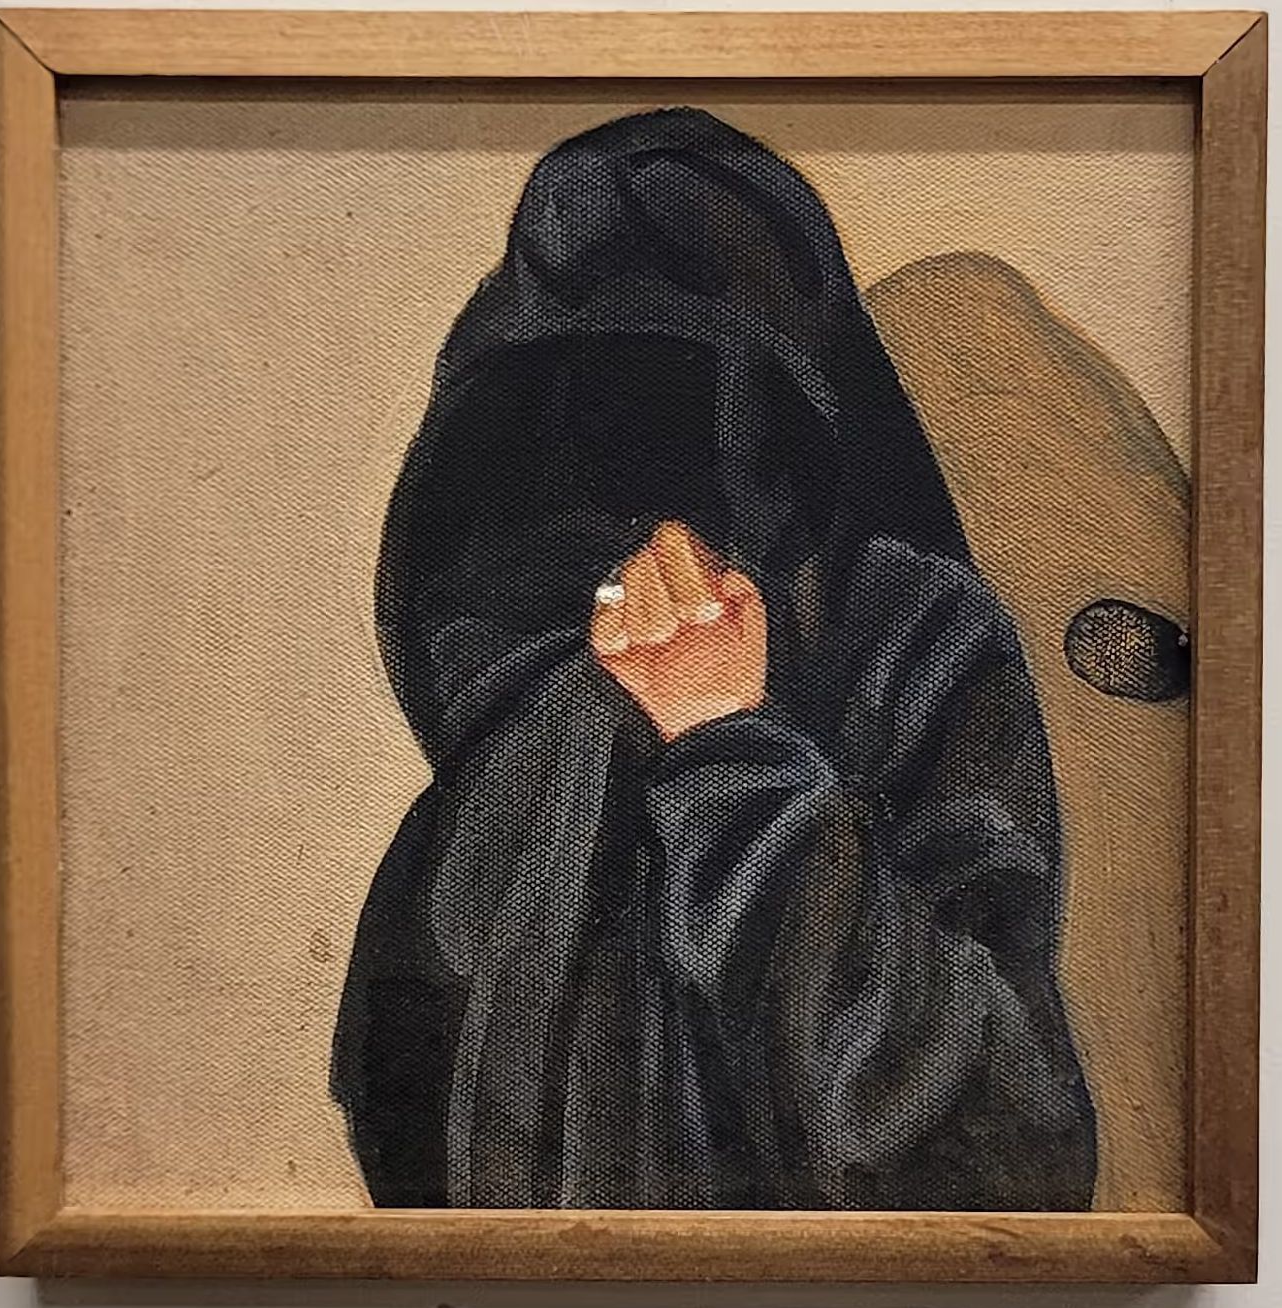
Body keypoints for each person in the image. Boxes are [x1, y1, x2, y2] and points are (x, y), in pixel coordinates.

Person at [330, 107, 1097, 1211]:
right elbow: (411, 1133)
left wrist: (729, 745)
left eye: (697, 410)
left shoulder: (911, 647)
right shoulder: (515, 743)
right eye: (588, 417)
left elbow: (1002, 1151)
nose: (657, 526)